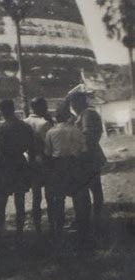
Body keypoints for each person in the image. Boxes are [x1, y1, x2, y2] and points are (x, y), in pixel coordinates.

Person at [45, 102, 91, 247]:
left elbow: (48, 153)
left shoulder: (51, 132)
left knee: (59, 198)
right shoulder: (76, 130)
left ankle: (59, 229)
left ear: (57, 117)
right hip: (75, 164)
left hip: (59, 165)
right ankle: (82, 227)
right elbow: (84, 150)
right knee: (78, 197)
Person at [0, 99, 34, 241]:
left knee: (2, 200)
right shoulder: (24, 126)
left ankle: (1, 230)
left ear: (4, 112)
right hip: (20, 163)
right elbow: (30, 144)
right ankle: (20, 231)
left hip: (5, 165)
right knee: (20, 199)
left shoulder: (1, 129)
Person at [71, 92, 106, 232]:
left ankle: (94, 219)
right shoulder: (84, 114)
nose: (72, 106)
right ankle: (87, 218)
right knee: (87, 188)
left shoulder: (88, 114)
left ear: (79, 102)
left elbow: (88, 135)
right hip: (87, 156)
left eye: (73, 103)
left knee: (92, 188)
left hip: (88, 156)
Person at [24, 97, 53, 233]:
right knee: (49, 193)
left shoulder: (25, 123)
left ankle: (37, 226)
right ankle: (52, 222)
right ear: (41, 108)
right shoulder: (45, 123)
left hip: (31, 160)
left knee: (36, 196)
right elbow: (49, 144)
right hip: (45, 160)